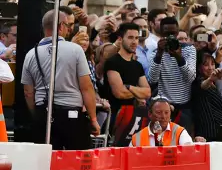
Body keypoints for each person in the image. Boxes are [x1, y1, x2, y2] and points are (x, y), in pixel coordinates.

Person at [20, 9, 100, 148]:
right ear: (61, 26)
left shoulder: (31, 54)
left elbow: (28, 92)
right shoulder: (75, 50)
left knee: (46, 162)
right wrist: (93, 119)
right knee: (75, 162)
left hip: (43, 115)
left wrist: (38, 115)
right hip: (71, 116)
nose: (69, 30)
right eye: (68, 26)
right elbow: (86, 87)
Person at [103, 22, 153, 145]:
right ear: (120, 39)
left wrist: (129, 87)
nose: (135, 42)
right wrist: (137, 94)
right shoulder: (112, 62)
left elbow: (147, 92)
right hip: (115, 117)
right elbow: (119, 93)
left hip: (135, 117)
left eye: (136, 38)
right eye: (130, 38)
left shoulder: (137, 65)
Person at [130, 97, 194, 146]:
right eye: (159, 112)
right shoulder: (137, 138)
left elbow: (189, 155)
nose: (163, 116)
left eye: (166, 112)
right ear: (150, 114)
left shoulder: (180, 132)